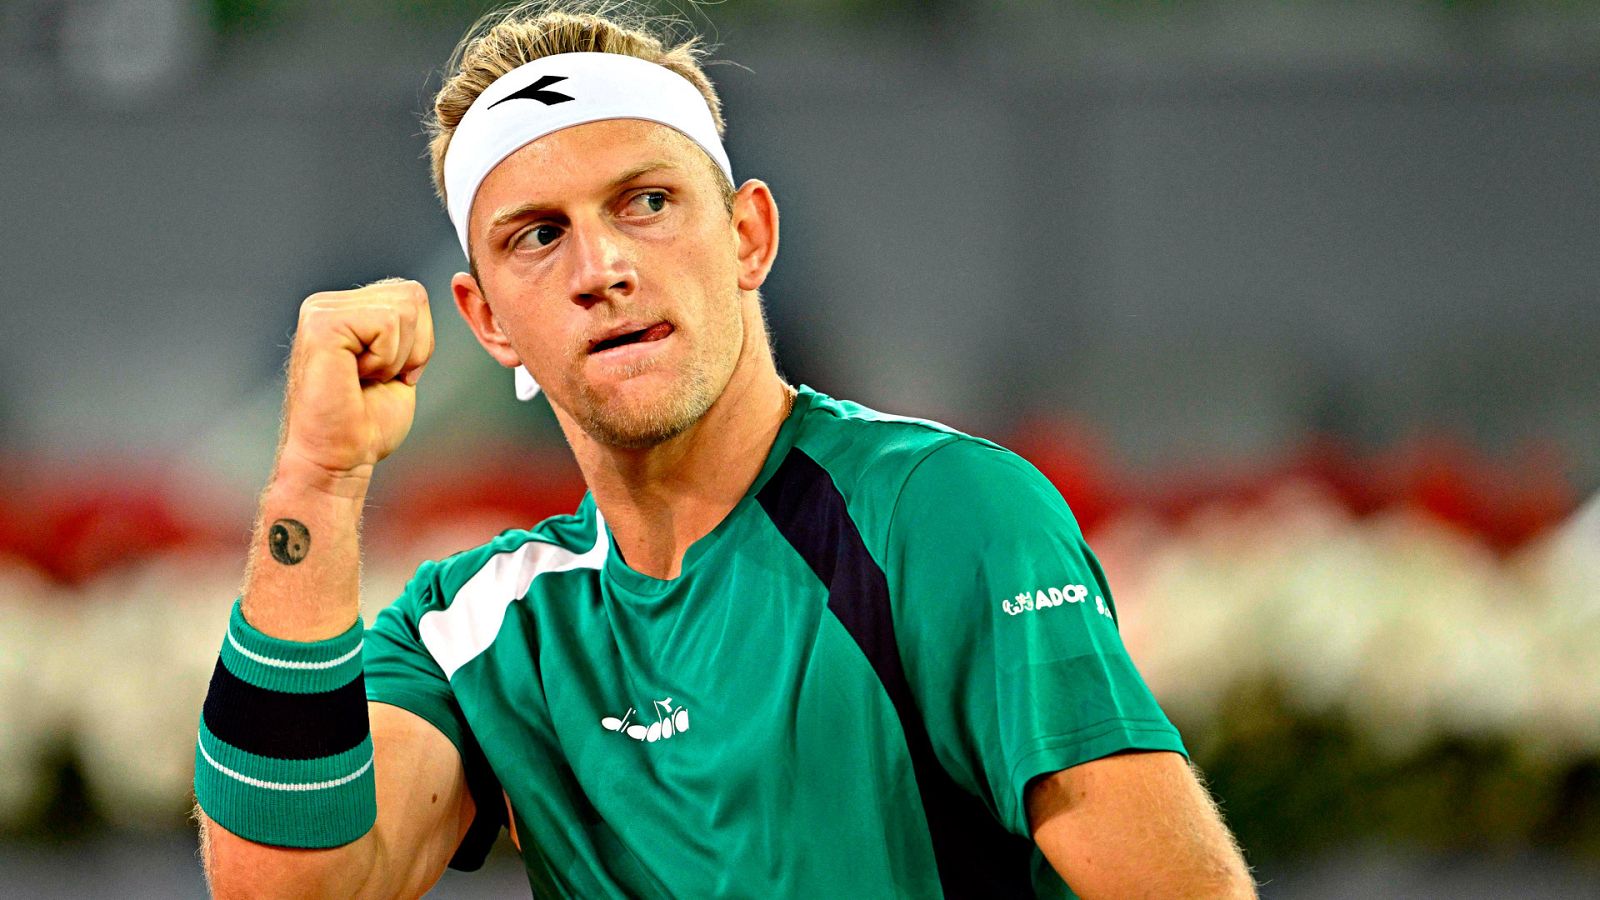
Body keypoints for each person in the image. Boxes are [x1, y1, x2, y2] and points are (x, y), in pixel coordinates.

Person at [193, 2, 1255, 897]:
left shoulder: (944, 514)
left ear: (747, 236)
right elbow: (285, 888)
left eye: (646, 202)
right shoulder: (474, 630)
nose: (600, 267)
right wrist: (317, 486)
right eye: (537, 234)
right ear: (487, 321)